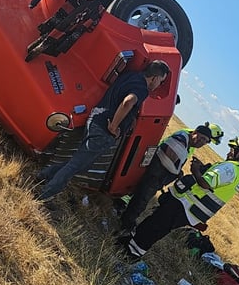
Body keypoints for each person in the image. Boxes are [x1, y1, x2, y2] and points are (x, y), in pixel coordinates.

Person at [37, 60, 170, 201]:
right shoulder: (142, 88)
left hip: (95, 118)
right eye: (161, 81)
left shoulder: (130, 75)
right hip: (103, 130)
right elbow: (128, 102)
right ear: (155, 78)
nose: (159, 85)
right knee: (76, 165)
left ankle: (44, 175)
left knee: (81, 164)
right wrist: (114, 126)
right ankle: (44, 195)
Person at [125, 136, 239, 258]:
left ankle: (130, 253)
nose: (229, 152)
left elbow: (205, 183)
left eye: (233, 149)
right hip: (192, 211)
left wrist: (196, 170)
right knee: (156, 224)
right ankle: (130, 243)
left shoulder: (231, 167)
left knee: (155, 227)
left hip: (186, 206)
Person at [119, 123, 214, 232]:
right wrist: (178, 171)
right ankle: (126, 224)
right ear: (194, 133)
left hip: (158, 175)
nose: (201, 142)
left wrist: (178, 172)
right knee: (141, 199)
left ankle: (126, 217)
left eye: (205, 141)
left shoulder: (186, 142)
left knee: (140, 197)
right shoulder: (181, 138)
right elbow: (168, 158)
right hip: (155, 173)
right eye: (201, 138)